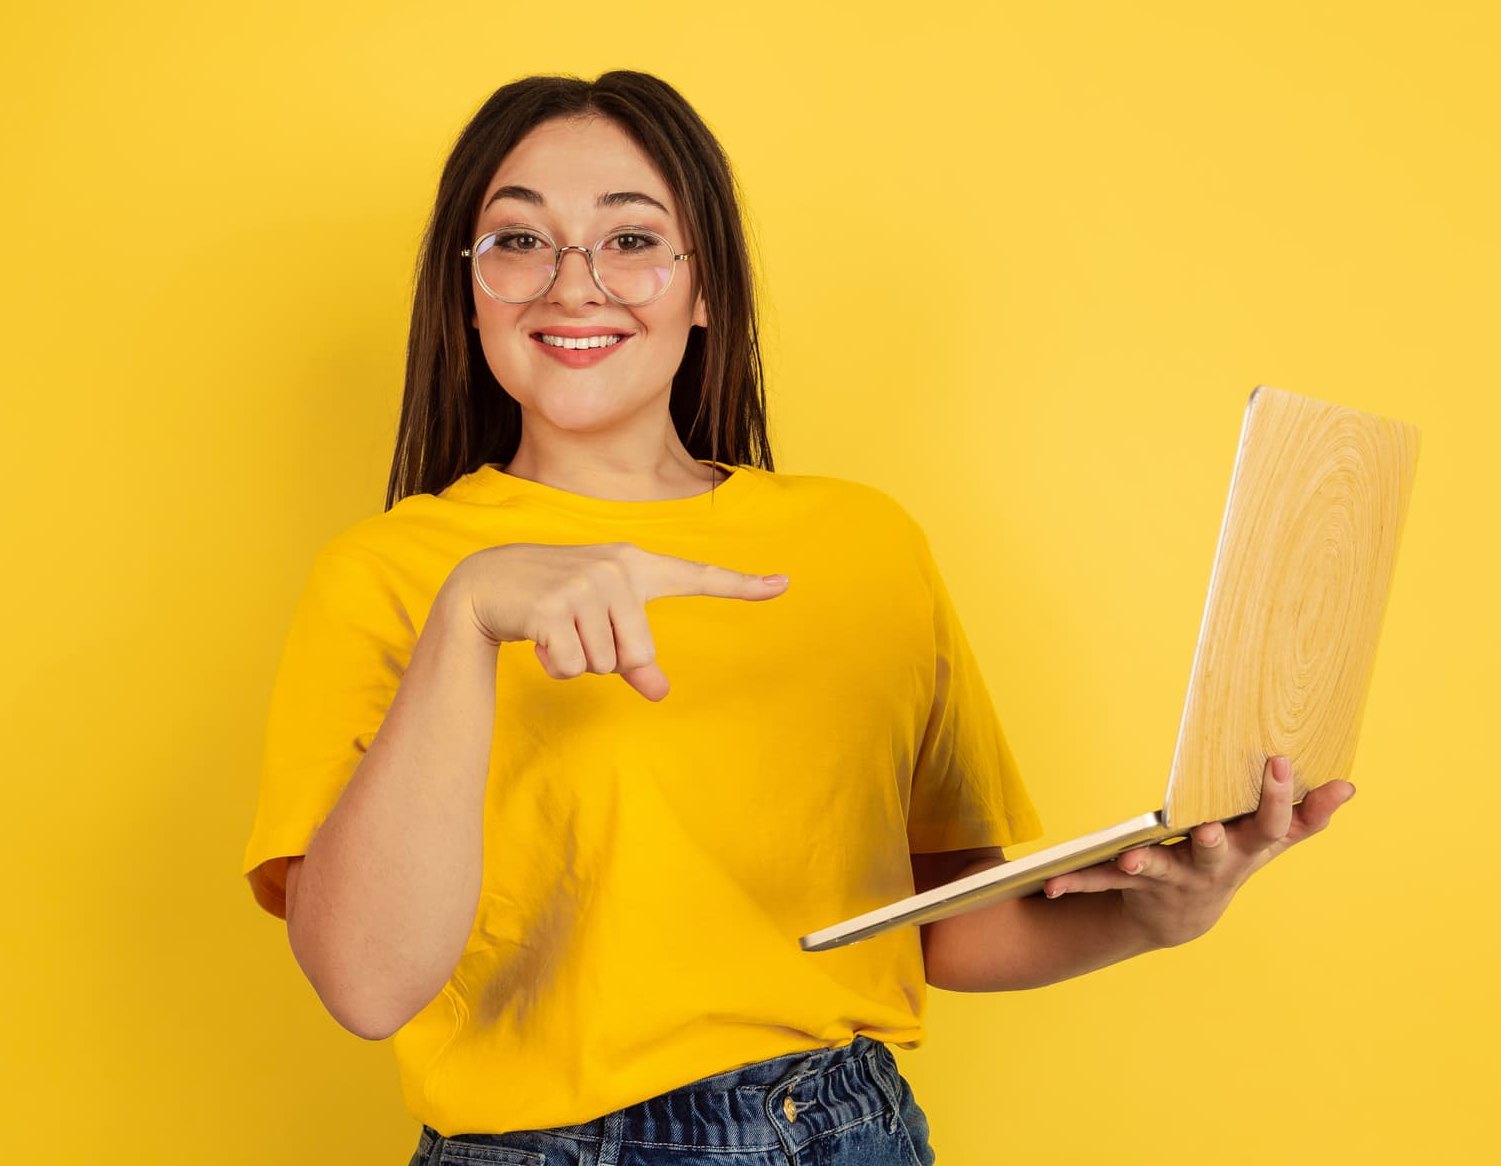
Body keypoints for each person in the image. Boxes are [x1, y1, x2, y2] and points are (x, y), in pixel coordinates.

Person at [240, 70, 1355, 1165]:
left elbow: (946, 925)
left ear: (706, 285)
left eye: (631, 240)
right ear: (468, 284)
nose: (571, 285)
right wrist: (471, 616)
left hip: (855, 1128)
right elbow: (366, 984)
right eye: (519, 241)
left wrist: (1162, 911)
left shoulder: (865, 542)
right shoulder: (390, 572)